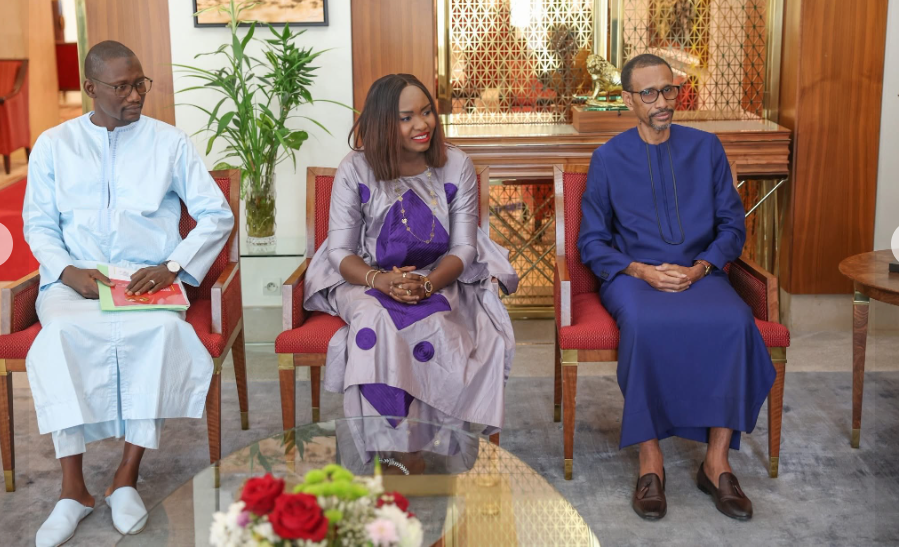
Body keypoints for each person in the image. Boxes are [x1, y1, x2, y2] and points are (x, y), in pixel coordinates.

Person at [23, 41, 234, 545]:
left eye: (140, 83)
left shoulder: (169, 142)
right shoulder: (55, 145)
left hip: (146, 280)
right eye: (122, 87)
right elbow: (38, 224)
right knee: (58, 337)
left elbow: (216, 214)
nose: (136, 94)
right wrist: (67, 270)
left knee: (160, 332)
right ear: (91, 88)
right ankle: (72, 489)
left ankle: (126, 477)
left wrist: (172, 266)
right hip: (76, 280)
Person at [577, 54, 775, 521]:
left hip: (699, 273)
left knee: (735, 321)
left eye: (669, 90)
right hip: (633, 279)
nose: (662, 102)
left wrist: (703, 267)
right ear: (628, 100)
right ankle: (651, 461)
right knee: (644, 326)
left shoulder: (707, 148)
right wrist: (642, 271)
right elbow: (591, 240)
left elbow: (731, 224)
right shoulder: (607, 158)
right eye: (648, 93)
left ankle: (716, 461)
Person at [303, 74, 518, 469]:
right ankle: (389, 450)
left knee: (435, 326)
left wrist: (428, 283)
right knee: (373, 323)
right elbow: (339, 250)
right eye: (406, 117)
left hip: (441, 275)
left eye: (426, 112)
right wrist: (379, 280)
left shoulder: (456, 165)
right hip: (363, 276)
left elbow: (465, 247)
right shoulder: (355, 169)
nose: (422, 125)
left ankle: (424, 447)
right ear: (384, 122)